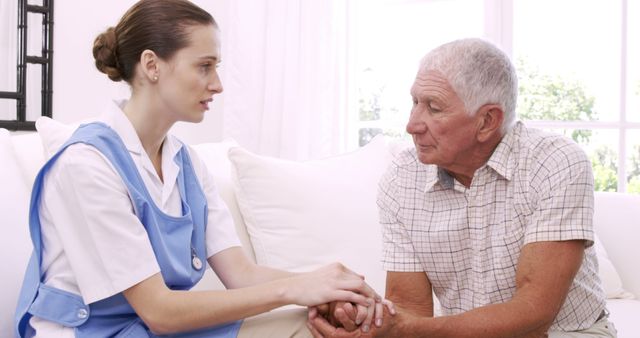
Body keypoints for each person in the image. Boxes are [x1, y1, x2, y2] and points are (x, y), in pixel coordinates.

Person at [13, 1, 392, 337]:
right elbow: (159, 310)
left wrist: (330, 288)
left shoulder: (185, 164)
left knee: (309, 325)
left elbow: (241, 275)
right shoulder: (86, 165)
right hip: (89, 332)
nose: (218, 84)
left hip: (150, 329)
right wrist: (293, 289)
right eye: (204, 66)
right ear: (151, 65)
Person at [307, 38, 617, 337]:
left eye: (434, 107)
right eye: (415, 102)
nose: (412, 124)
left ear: (486, 121)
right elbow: (410, 309)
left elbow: (533, 313)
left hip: (565, 333)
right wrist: (365, 321)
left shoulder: (555, 162)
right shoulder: (401, 178)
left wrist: (402, 328)